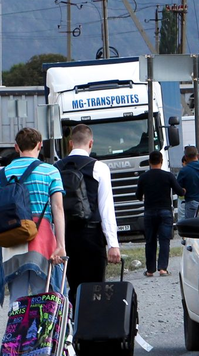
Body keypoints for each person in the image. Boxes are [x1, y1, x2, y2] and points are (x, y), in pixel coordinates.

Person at [0, 127, 67, 307]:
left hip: (12, 240)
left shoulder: (3, 174)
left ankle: (18, 333)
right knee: (45, 298)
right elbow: (58, 208)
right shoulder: (50, 171)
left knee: (17, 301)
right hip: (41, 239)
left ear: (16, 147)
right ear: (40, 145)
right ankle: (42, 335)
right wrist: (61, 245)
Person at [53, 124, 121, 297]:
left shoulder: (56, 168)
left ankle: (74, 322)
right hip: (92, 235)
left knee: (73, 286)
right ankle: (92, 322)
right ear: (91, 143)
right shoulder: (99, 168)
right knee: (96, 288)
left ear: (70, 144)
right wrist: (113, 244)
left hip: (66, 235)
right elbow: (106, 207)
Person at [135, 150, 185, 276]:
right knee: (164, 241)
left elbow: (138, 195)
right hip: (165, 212)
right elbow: (179, 191)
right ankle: (163, 268)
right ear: (161, 161)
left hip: (149, 212)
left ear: (149, 162)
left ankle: (150, 270)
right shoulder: (168, 176)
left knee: (150, 241)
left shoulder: (143, 177)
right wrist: (184, 190)